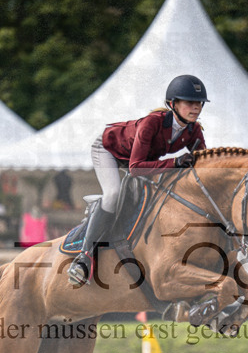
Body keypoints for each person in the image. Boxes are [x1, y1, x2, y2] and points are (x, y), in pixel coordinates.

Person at [67, 74, 208, 287]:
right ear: (173, 104)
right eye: (190, 102)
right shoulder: (152, 123)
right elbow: (135, 168)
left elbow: (203, 164)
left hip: (139, 159)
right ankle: (83, 258)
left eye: (199, 103)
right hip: (108, 150)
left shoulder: (193, 130)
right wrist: (174, 163)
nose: (196, 107)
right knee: (113, 194)